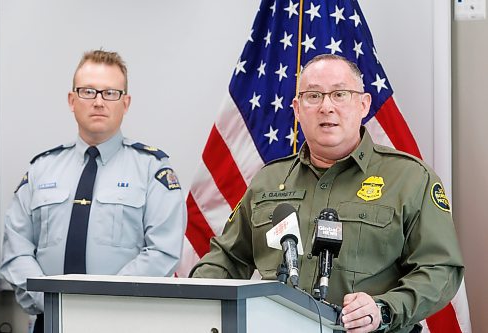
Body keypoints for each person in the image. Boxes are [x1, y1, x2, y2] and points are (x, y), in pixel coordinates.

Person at [190, 54, 464, 333]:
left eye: (339, 94)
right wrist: (191, 297)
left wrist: (384, 308)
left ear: (363, 104)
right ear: (297, 109)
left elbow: (440, 269)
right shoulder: (269, 181)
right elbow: (227, 258)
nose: (326, 107)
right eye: (313, 96)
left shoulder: (410, 178)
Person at [1, 50, 187, 332]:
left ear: (126, 103)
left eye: (110, 93)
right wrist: (52, 301)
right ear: (71, 100)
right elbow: (17, 250)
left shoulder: (152, 170)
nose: (99, 102)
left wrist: (103, 302)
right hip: (49, 322)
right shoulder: (42, 169)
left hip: (124, 323)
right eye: (88, 91)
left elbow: (163, 250)